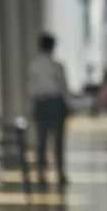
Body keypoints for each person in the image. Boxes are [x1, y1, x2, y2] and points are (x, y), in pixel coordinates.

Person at [28, 32, 70, 187]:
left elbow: (31, 89)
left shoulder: (34, 66)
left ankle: (41, 173)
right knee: (58, 141)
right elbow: (64, 89)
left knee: (42, 140)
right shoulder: (57, 66)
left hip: (41, 104)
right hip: (55, 103)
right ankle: (59, 173)